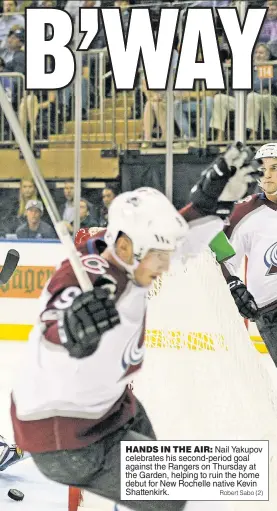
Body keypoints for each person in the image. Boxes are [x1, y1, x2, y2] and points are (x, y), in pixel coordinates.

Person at [11, 144, 259, 511]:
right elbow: (58, 320)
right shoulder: (92, 277)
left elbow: (182, 242)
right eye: (157, 257)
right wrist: (74, 329)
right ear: (125, 247)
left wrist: (209, 204)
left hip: (110, 407)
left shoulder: (129, 254)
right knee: (167, 497)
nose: (165, 265)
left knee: (159, 473)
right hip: (66, 437)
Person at [221, 142, 277, 368]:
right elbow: (218, 255)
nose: (268, 176)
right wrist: (233, 285)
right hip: (271, 313)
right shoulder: (243, 213)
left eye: (275, 168)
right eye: (263, 170)